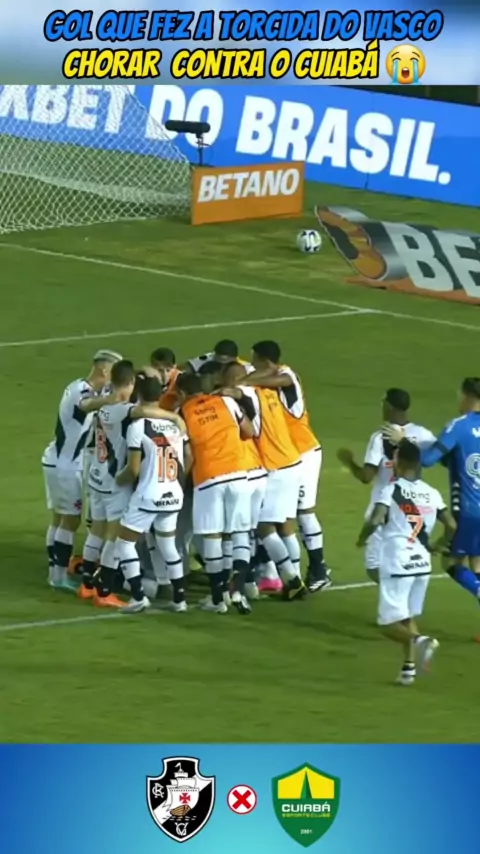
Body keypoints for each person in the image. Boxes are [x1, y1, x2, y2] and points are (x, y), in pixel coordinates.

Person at [79, 361, 186, 607]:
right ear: (129, 384)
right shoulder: (123, 410)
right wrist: (174, 417)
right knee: (115, 537)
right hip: (114, 481)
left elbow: (88, 406)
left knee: (96, 531)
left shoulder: (104, 404)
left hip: (96, 475)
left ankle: (86, 584)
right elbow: (144, 411)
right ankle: (104, 591)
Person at [357, 439, 455, 686]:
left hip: (398, 562)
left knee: (387, 625)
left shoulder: (391, 490)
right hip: (422, 564)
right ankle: (408, 669)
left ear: (398, 463)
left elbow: (376, 519)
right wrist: (437, 544)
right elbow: (452, 525)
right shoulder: (432, 493)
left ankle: (421, 641)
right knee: (406, 616)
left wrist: (362, 538)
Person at [241, 340, 329, 593]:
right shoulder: (269, 378)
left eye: (254, 360)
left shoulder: (287, 375)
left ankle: (319, 570)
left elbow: (277, 379)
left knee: (304, 513)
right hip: (287, 456)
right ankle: (286, 575)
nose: (252, 365)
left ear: (265, 361)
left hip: (304, 451)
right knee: (284, 521)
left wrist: (243, 381)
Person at [386, 378, 480, 608]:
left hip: (468, 509)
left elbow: (427, 460)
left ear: (467, 396)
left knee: (451, 562)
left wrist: (404, 442)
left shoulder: (458, 426)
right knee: (477, 563)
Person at [41, 349, 122, 589]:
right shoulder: (81, 391)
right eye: (114, 373)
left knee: (58, 518)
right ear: (104, 370)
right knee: (71, 520)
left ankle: (54, 572)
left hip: (58, 460)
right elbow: (86, 405)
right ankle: (58, 577)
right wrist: (109, 400)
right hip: (65, 465)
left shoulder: (80, 385)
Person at [338, 388, 436, 583]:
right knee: (407, 555)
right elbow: (437, 456)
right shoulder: (424, 435)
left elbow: (366, 476)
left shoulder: (381, 437)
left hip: (384, 507)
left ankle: (396, 593)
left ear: (389, 406)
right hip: (412, 506)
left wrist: (349, 462)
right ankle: (405, 590)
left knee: (374, 566)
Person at [176, 370, 254, 615]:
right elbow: (249, 430)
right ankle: (237, 588)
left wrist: (179, 481)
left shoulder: (182, 413)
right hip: (238, 472)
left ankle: (218, 599)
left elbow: (188, 454)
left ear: (182, 393)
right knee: (238, 532)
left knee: (212, 537)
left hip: (208, 477)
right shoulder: (226, 402)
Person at [114, 373, 191, 614]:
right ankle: (179, 600)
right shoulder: (175, 424)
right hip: (173, 493)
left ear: (137, 394)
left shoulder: (138, 427)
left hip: (149, 494)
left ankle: (138, 597)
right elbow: (188, 456)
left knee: (124, 544)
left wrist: (119, 479)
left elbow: (133, 468)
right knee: (168, 545)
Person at [181, 340, 253, 375]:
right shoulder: (208, 358)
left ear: (234, 358)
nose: (222, 366)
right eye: (219, 362)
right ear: (215, 355)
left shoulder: (246, 367)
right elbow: (187, 367)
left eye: (226, 363)